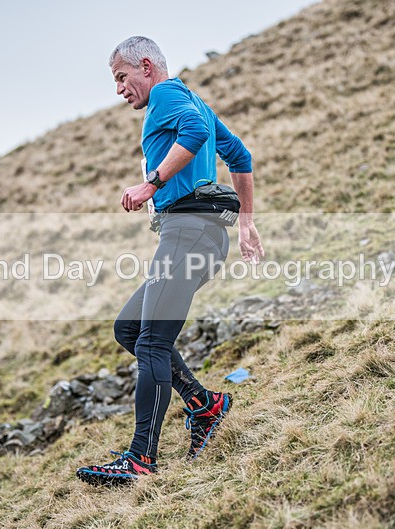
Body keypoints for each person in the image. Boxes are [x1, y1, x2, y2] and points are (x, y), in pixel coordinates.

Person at [76, 36, 264, 487]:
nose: (119, 89)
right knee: (129, 329)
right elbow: (240, 156)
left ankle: (141, 458)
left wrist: (151, 185)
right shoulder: (192, 100)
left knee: (151, 343)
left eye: (121, 77)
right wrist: (246, 224)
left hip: (188, 232)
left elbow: (196, 134)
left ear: (146, 66)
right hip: (198, 237)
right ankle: (205, 405)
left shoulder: (165, 95)